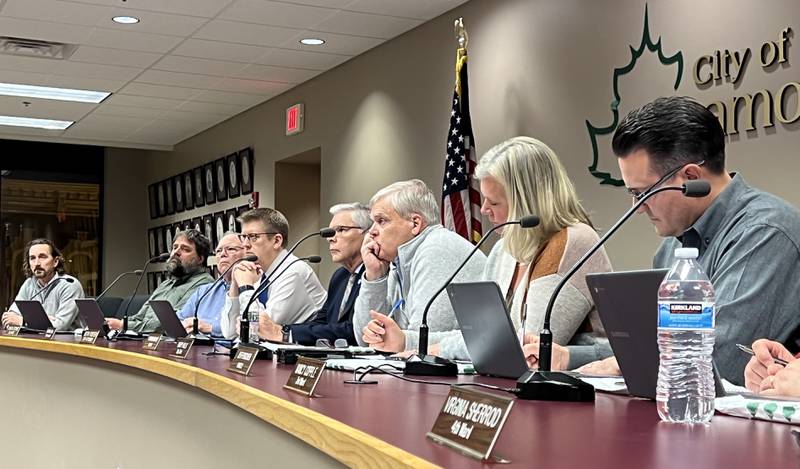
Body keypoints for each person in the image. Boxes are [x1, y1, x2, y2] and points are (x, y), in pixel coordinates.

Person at [578, 96, 800, 385]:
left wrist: (619, 363)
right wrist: (569, 357)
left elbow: (720, 355)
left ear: (691, 177)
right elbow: (649, 341)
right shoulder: (672, 246)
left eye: (642, 193)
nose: (638, 207)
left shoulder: (766, 232)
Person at [462, 137, 613, 369]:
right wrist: (409, 342)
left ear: (529, 203)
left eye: (494, 202)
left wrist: (448, 346)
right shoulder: (504, 248)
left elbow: (525, 348)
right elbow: (477, 336)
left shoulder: (573, 241)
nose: (483, 210)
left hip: (580, 394)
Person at [354, 179, 486, 355]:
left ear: (415, 223)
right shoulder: (399, 260)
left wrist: (397, 340)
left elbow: (422, 340)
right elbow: (366, 340)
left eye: (381, 221)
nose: (371, 232)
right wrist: (375, 276)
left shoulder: (437, 248)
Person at [257, 203, 370, 345]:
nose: (330, 238)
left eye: (341, 230)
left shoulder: (376, 276)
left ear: (368, 233)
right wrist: (285, 331)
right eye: (331, 232)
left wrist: (283, 333)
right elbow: (321, 322)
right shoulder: (340, 276)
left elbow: (355, 330)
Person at [220, 208, 327, 340]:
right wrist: (235, 286)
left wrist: (246, 287)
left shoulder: (293, 272)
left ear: (277, 241)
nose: (245, 245)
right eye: (243, 237)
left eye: (253, 237)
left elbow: (257, 331)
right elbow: (229, 333)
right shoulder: (260, 274)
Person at [107, 229, 214, 333]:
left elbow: (172, 322)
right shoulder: (166, 284)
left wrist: (124, 325)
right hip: (146, 340)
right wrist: (118, 323)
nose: (176, 252)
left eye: (185, 249)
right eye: (175, 247)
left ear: (200, 259)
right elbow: (140, 317)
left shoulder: (204, 284)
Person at [2, 238, 85, 331]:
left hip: (65, 342)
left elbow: (60, 326)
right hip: (35, 341)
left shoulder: (70, 285)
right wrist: (42, 321)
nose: (37, 263)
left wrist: (24, 321)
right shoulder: (29, 284)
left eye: (42, 257)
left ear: (55, 262)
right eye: (32, 258)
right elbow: (10, 317)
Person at [174, 232, 245, 337]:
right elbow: (178, 320)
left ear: (247, 254)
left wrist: (210, 327)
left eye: (230, 249)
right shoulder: (204, 291)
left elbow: (253, 327)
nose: (223, 254)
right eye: (218, 251)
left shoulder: (253, 289)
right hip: (197, 348)